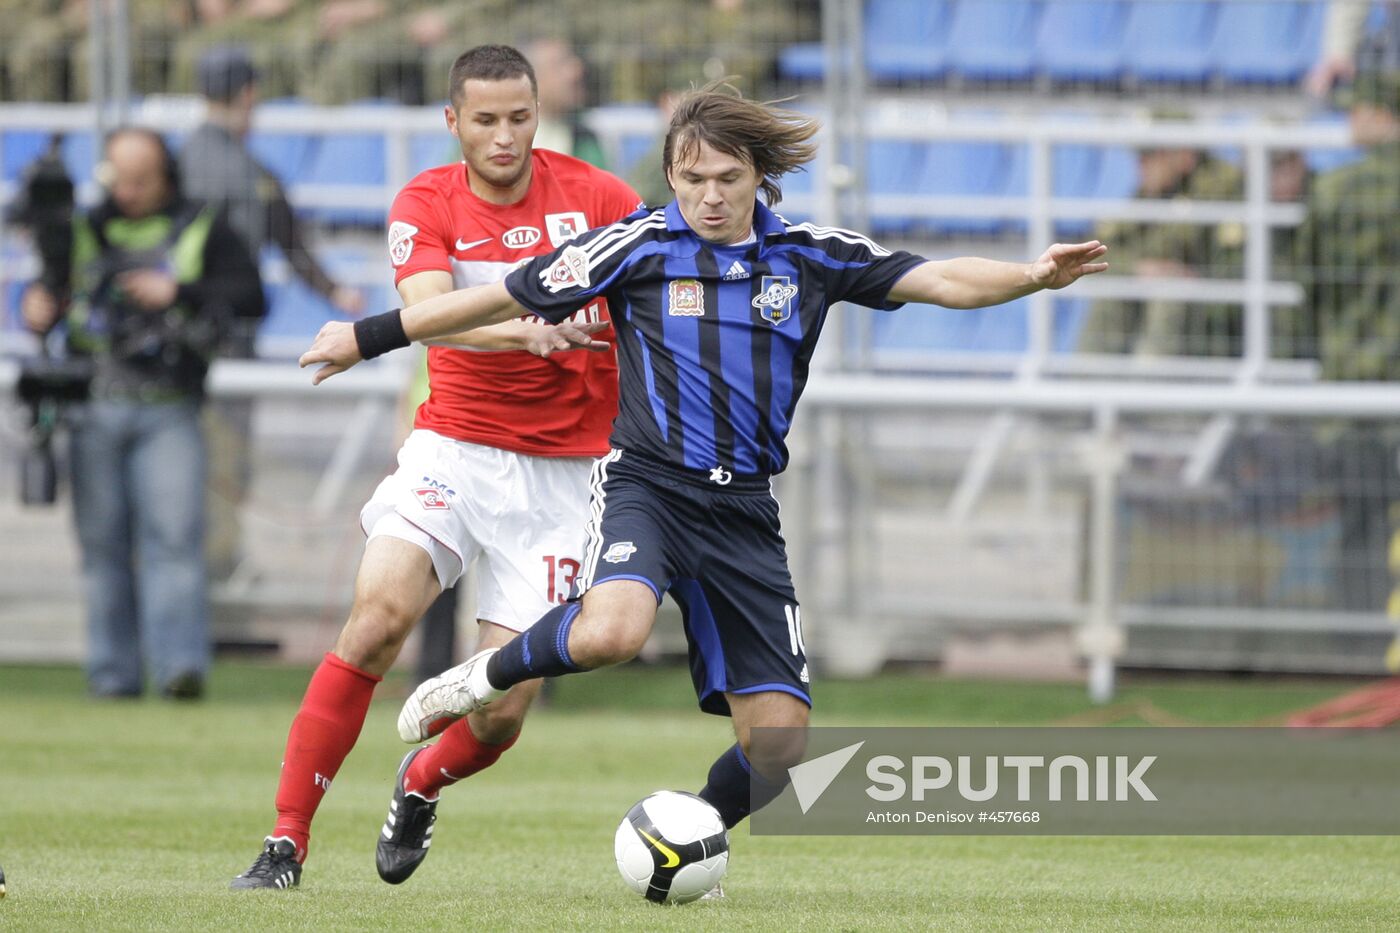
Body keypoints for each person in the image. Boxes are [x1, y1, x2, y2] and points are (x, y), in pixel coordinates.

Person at [299, 81, 1107, 860]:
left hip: (745, 513)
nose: (710, 196)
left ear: (761, 176)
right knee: (613, 629)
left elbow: (939, 279)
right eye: (692, 179)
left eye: (728, 178)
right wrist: (369, 335)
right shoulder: (639, 246)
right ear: (671, 175)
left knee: (781, 751)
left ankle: (688, 832)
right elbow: (502, 297)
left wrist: (1031, 276)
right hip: (648, 486)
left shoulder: (812, 256)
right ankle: (480, 678)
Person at [230, 44, 642, 890]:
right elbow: (427, 315)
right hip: (454, 446)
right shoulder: (426, 200)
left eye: (519, 118)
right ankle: (284, 842)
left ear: (538, 114)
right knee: (377, 619)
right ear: (453, 121)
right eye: (485, 120)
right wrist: (522, 329)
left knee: (498, 714)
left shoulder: (599, 197)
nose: (504, 137)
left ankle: (419, 783)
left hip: (567, 476)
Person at [19, 127, 265, 699]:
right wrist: (36, 307)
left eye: (140, 180)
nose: (127, 191)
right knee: (102, 545)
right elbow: (50, 298)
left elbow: (251, 295)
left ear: (165, 177)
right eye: (118, 179)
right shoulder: (80, 230)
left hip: (169, 406)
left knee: (174, 539)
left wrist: (176, 291)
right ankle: (112, 675)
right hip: (93, 406)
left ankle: (179, 668)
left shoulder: (202, 225)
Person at [180, 45, 366, 580]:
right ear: (248, 96)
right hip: (229, 339)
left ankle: (191, 577)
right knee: (224, 461)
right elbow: (290, 241)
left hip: (176, 340)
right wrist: (337, 291)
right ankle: (217, 573)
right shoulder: (251, 172)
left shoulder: (174, 162)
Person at [1292, 58, 1400, 632]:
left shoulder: (1335, 190)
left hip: (1354, 387)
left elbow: (1308, 284)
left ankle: (1356, 641)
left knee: (1360, 522)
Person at [524, 38, 608, 168]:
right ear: (532, 79)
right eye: (560, 65)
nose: (576, 72)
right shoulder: (508, 141)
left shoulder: (585, 140)